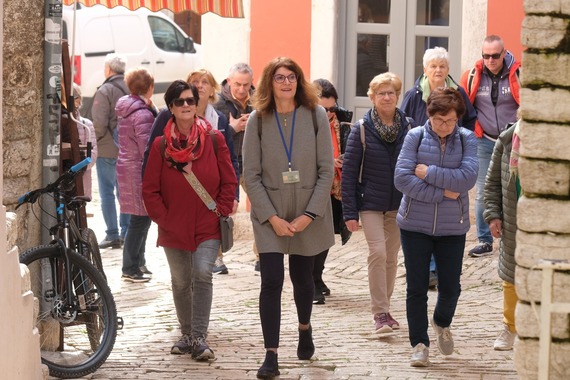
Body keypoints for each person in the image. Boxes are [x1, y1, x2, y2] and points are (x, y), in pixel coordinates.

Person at [242, 57, 334, 379]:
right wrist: (270, 217)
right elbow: (250, 176)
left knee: (302, 278)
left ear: (299, 81)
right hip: (271, 214)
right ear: (270, 82)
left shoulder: (316, 115)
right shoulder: (257, 119)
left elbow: (327, 169)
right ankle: (271, 355)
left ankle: (304, 328)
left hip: (309, 211)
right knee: (271, 281)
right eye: (279, 77)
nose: (286, 83)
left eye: (291, 77)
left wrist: (311, 214)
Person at [142, 80, 237, 359]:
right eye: (180, 101)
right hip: (173, 225)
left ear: (197, 105)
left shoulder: (215, 139)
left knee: (202, 273)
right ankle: (185, 334)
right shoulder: (161, 146)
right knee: (181, 280)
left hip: (207, 222)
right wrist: (164, 218)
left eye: (190, 101)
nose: (186, 105)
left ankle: (198, 338)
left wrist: (220, 209)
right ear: (171, 107)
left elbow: (229, 179)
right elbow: (149, 188)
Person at [394, 87, 478, 367]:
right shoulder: (414, 136)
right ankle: (419, 343)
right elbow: (403, 179)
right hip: (414, 224)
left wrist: (429, 173)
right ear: (429, 116)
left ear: (457, 119)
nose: (444, 126)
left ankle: (441, 322)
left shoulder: (467, 139)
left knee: (451, 287)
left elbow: (467, 178)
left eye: (450, 121)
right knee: (416, 287)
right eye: (439, 120)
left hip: (452, 227)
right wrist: (443, 192)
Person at [401, 46, 477, 289]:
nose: (437, 70)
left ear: (448, 70)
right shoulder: (414, 94)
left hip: (451, 156)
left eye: (442, 66)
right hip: (422, 157)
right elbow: (405, 121)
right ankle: (426, 269)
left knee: (443, 215)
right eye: (433, 66)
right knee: (426, 212)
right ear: (425, 69)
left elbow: (471, 117)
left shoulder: (459, 93)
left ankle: (436, 270)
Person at [341, 72, 412, 335]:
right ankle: (379, 312)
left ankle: (386, 308)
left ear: (397, 95)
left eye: (391, 92)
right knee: (378, 253)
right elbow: (349, 173)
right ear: (372, 98)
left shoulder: (409, 127)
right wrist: (350, 212)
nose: (386, 97)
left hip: (399, 203)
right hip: (369, 202)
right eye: (381, 93)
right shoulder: (360, 129)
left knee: (392, 258)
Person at [460, 35, 521, 258]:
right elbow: (464, 106)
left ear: (504, 53)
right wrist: (474, 129)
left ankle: (512, 236)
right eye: (486, 55)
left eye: (495, 55)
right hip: (483, 140)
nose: (491, 60)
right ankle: (485, 240)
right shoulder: (473, 76)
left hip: (512, 140)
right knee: (484, 191)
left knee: (513, 188)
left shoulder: (518, 73)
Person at [311, 78, 352, 305]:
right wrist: (326, 162)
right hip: (314, 186)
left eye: (332, 108)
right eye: (323, 109)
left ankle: (317, 276)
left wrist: (345, 159)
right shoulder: (304, 122)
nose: (328, 113)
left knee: (328, 236)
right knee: (314, 235)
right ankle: (312, 281)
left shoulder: (343, 120)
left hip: (336, 187)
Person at [214, 62, 258, 272]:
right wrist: (232, 128)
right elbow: (210, 140)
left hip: (251, 163)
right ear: (229, 81)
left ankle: (262, 255)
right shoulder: (216, 103)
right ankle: (216, 258)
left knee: (262, 206)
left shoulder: (258, 101)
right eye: (238, 84)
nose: (242, 90)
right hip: (225, 164)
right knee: (219, 210)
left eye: (246, 85)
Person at [115, 67, 157, 283]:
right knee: (139, 220)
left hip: (128, 167)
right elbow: (146, 147)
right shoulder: (141, 114)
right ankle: (130, 267)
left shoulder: (130, 109)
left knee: (142, 218)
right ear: (149, 87)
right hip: (138, 171)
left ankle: (138, 262)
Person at [483, 120, 521, 351]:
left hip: (550, 219)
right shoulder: (508, 139)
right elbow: (493, 182)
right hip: (514, 217)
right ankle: (510, 327)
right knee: (511, 274)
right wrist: (493, 215)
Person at [91, 53, 130, 249]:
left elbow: (98, 123)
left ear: (108, 69)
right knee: (124, 192)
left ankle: (112, 234)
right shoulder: (131, 87)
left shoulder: (105, 90)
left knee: (106, 192)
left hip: (107, 148)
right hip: (127, 149)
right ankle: (126, 232)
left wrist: (96, 142)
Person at [72, 83, 98, 199]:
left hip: (82, 183)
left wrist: (78, 167)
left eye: (75, 98)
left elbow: (92, 155)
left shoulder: (86, 124)